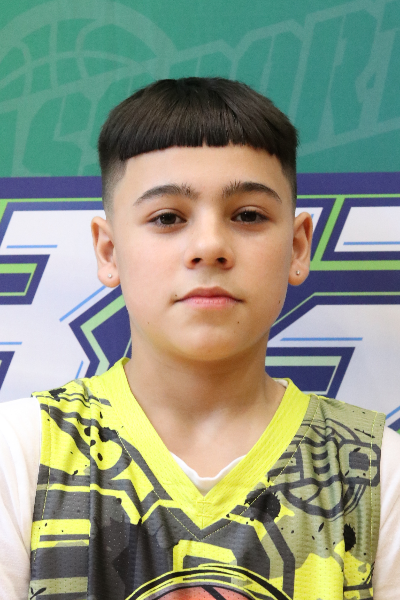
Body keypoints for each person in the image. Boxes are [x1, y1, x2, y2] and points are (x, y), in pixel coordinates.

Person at [0, 77, 399, 600]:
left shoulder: (376, 469)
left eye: (248, 215)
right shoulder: (22, 452)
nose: (210, 246)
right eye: (167, 217)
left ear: (298, 246)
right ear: (108, 251)